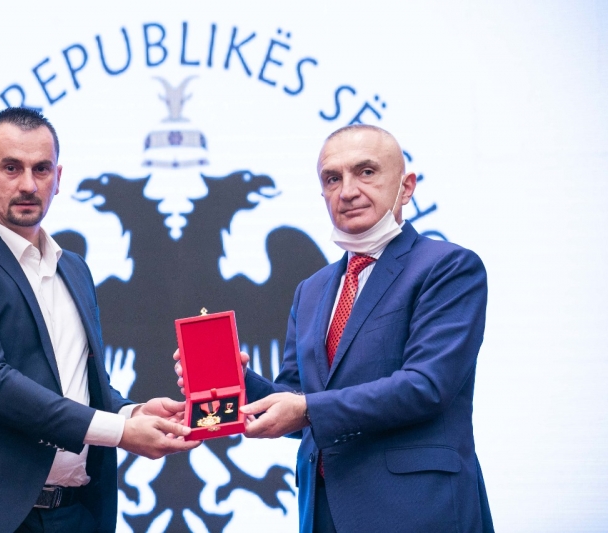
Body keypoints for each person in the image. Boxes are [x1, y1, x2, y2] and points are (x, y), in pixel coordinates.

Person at [177, 124, 493, 532]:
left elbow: (426, 386)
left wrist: (307, 408)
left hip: (418, 510)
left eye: (366, 172)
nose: (347, 191)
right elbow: (296, 398)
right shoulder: (311, 290)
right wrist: (235, 381)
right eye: (332, 178)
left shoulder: (448, 267)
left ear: (407, 186)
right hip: (323, 511)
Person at [0, 108, 199, 533]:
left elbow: (78, 384)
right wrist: (120, 431)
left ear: (58, 178)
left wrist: (131, 411)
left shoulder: (74, 268)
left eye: (41, 169)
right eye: (11, 168)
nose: (28, 184)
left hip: (76, 514)